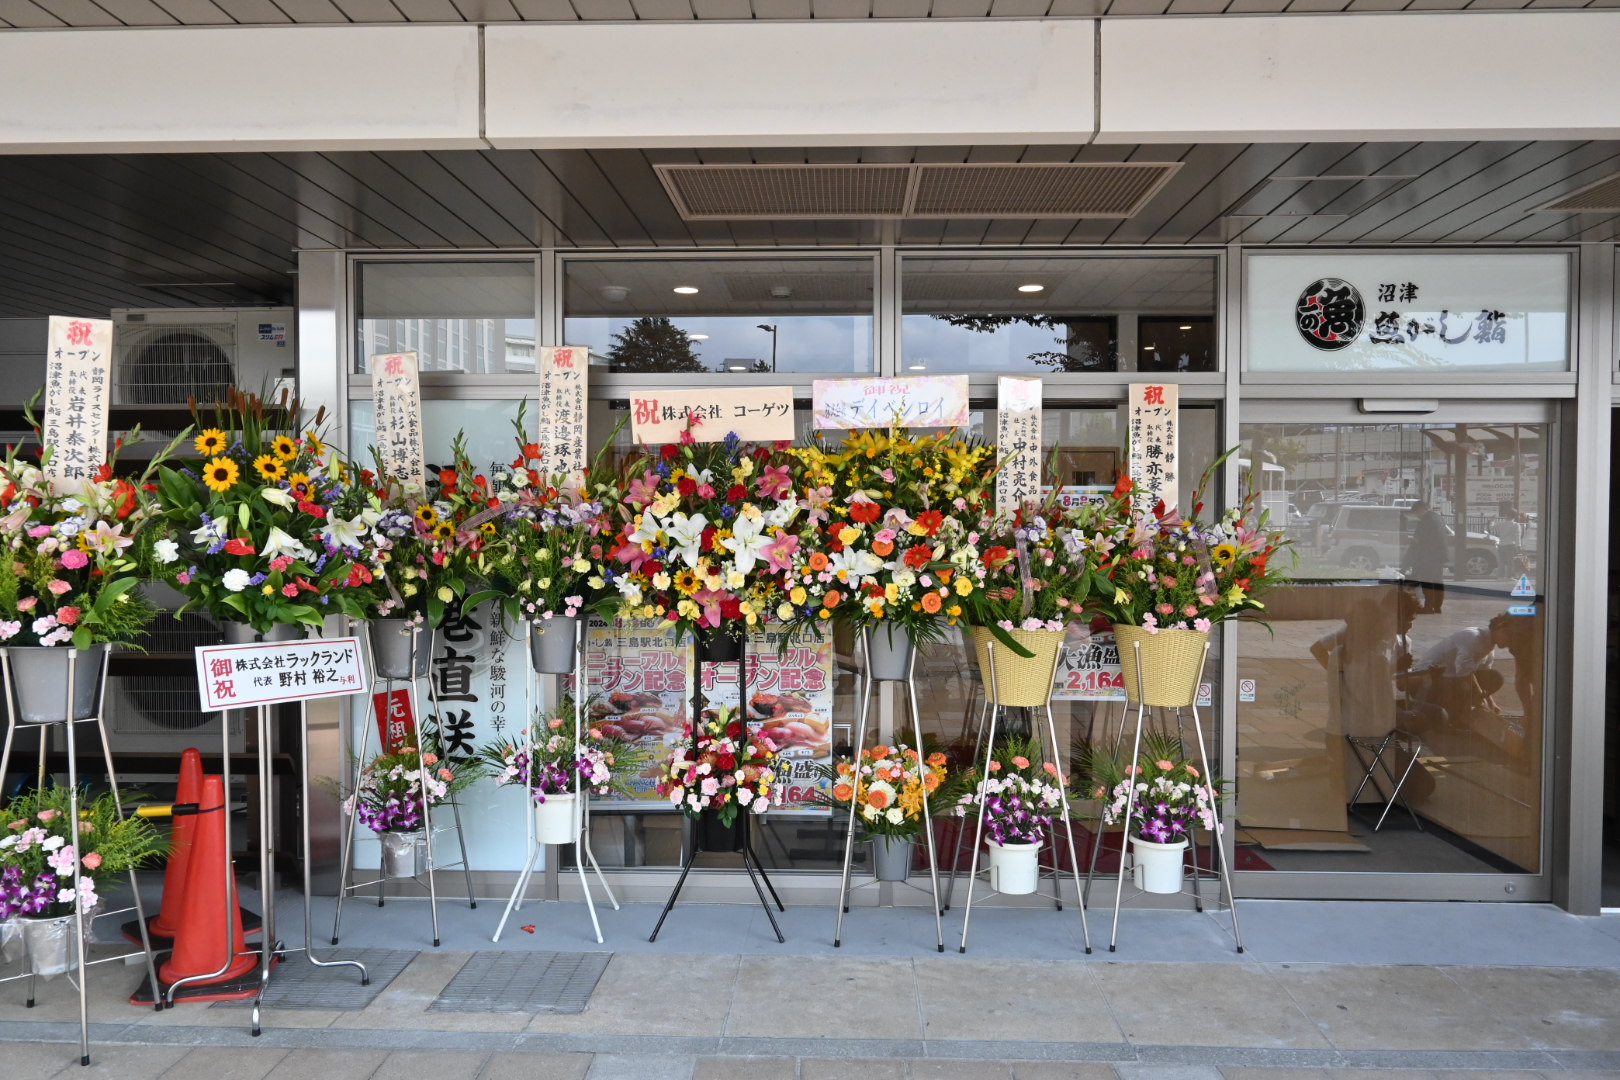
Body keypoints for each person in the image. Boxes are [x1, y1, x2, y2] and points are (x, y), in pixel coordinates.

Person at [1403, 501, 1448, 614]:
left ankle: (1428, 607)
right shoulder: (1438, 518)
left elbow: (1417, 540)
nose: (1416, 515)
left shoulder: (1425, 521)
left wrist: (1411, 547)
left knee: (1427, 581)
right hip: (1440, 555)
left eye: (1416, 512)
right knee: (1437, 581)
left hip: (1428, 555)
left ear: (1421, 509)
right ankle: (1437, 607)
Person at [1488, 500, 1530, 578]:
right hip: (1511, 545)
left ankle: (1500, 577)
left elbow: (1491, 528)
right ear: (1514, 516)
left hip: (1501, 545)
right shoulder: (1516, 525)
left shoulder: (1500, 524)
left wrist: (1492, 521)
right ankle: (1509, 577)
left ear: (1506, 515)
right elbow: (1517, 536)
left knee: (1501, 562)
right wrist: (1519, 546)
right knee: (1510, 562)